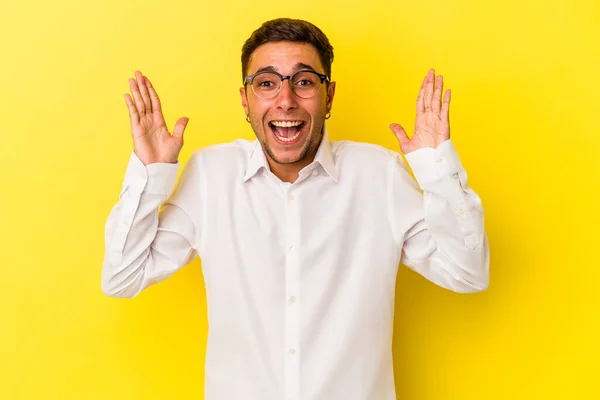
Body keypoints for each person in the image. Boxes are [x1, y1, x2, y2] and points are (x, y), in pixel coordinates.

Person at [102, 17, 489, 400]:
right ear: (245, 100)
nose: (285, 100)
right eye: (266, 83)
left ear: (329, 96)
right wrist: (151, 176)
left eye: (304, 81)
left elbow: (468, 275)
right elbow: (122, 278)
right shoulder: (210, 176)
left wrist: (437, 169)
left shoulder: (378, 175)